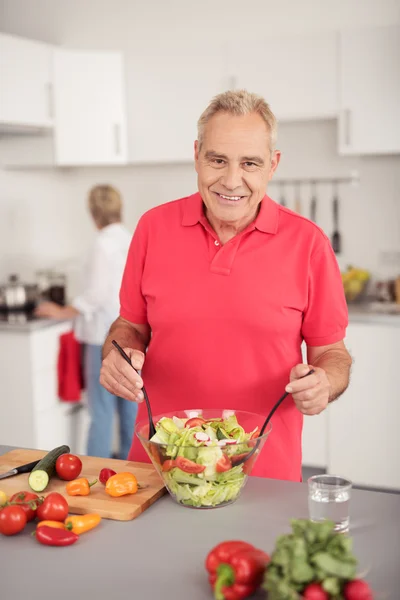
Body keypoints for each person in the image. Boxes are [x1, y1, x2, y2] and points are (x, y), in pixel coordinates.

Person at [99, 90, 352, 481]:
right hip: (157, 468)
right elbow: (130, 327)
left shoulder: (309, 244)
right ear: (197, 155)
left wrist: (324, 383)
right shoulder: (153, 228)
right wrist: (118, 355)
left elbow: (332, 354)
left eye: (249, 163)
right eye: (217, 160)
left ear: (273, 165)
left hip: (264, 476)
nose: (231, 180)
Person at [35, 184, 137, 460]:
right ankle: (135, 471)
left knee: (101, 410)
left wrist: (62, 311)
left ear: (93, 212)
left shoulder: (101, 244)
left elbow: (96, 294)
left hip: (101, 336)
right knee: (131, 406)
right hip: (132, 335)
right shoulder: (130, 239)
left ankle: (94, 472)